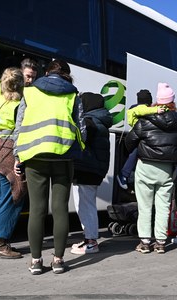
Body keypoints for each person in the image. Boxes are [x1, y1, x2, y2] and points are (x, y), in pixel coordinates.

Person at [13, 59, 86, 275]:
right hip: (63, 157)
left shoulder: (30, 92)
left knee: (37, 209)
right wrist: (77, 151)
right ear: (67, 74)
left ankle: (36, 261)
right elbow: (81, 128)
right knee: (60, 209)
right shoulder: (73, 95)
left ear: (46, 73)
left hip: (35, 156)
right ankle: (58, 260)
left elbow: (20, 125)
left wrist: (18, 156)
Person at [125, 82, 177, 254]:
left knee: (145, 206)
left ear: (157, 101)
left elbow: (130, 141)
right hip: (166, 169)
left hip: (145, 165)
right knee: (163, 206)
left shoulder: (145, 120)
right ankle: (160, 242)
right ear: (172, 102)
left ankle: (145, 242)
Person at [0, 67, 28, 259]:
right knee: (13, 197)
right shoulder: (20, 104)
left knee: (0, 198)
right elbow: (21, 130)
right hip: (9, 152)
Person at [70, 92, 112, 255]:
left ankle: (91, 242)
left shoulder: (90, 122)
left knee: (85, 205)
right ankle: (89, 238)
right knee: (85, 204)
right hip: (91, 170)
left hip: (88, 169)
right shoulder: (98, 121)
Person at [116, 89, 166, 189]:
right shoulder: (138, 109)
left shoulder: (141, 110)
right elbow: (142, 109)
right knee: (135, 153)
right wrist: (156, 110)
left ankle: (128, 177)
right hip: (137, 137)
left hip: (137, 137)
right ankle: (124, 174)